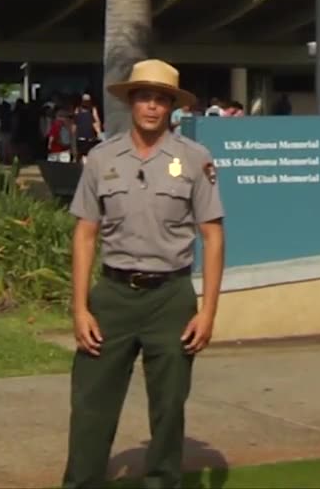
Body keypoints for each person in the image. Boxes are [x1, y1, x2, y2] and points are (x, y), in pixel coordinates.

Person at [62, 59, 226, 489]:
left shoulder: (195, 160)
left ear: (171, 107)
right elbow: (84, 234)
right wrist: (79, 308)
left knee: (169, 408)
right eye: (144, 97)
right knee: (91, 406)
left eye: (161, 99)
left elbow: (212, 236)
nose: (152, 107)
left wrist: (208, 310)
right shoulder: (101, 158)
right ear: (131, 102)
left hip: (170, 298)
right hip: (113, 297)